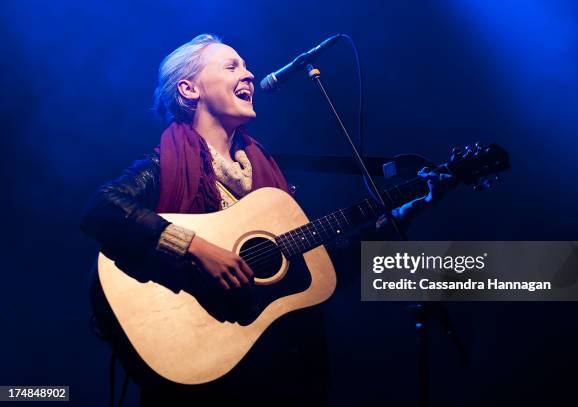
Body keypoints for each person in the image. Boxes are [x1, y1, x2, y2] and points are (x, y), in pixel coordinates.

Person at [81, 33, 452, 406]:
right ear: (189, 88)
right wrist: (195, 247)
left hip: (279, 373)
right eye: (232, 66)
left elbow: (320, 270)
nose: (250, 74)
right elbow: (102, 208)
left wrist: (395, 218)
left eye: (245, 65)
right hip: (202, 374)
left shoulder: (267, 177)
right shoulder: (164, 165)